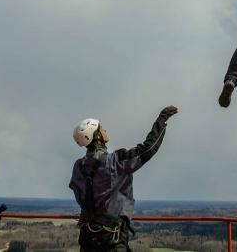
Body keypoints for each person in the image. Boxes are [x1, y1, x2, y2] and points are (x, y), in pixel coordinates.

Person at [69, 106, 178, 251]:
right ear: (96, 136)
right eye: (101, 129)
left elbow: (80, 196)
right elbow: (147, 149)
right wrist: (162, 119)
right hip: (111, 239)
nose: (104, 130)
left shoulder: (78, 167)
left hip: (87, 236)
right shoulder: (116, 161)